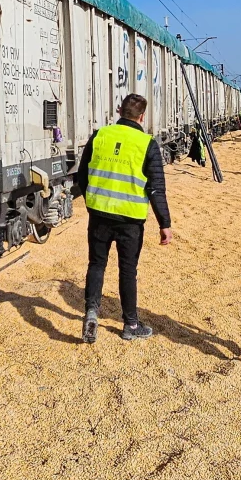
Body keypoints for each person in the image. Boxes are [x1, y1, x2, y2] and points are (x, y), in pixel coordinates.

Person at [75, 93, 173, 343]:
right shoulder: (147, 143)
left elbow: (81, 176)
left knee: (96, 264)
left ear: (119, 111)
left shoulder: (100, 135)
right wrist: (164, 223)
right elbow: (156, 189)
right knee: (127, 271)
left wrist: (92, 202)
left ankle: (92, 312)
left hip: (99, 215)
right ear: (142, 116)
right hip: (130, 220)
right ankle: (130, 324)